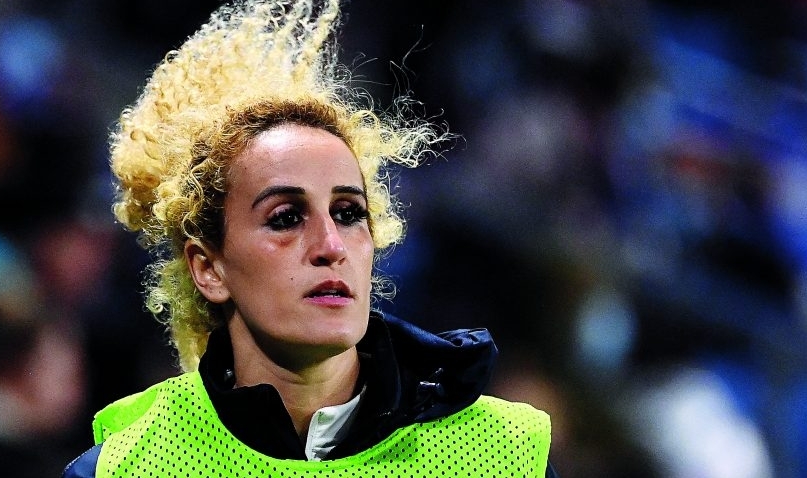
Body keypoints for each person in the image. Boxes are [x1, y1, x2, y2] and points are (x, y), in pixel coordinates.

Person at [62, 0, 556, 476]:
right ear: (209, 269)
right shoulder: (127, 467)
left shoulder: (503, 456)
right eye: (285, 218)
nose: (330, 246)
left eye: (348, 213)